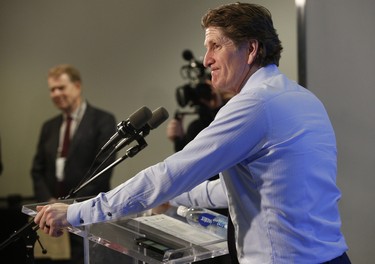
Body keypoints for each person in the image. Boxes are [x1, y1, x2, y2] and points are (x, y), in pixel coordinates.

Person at [34, 3, 351, 263]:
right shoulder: (300, 97)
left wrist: (76, 213)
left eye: (216, 46)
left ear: (251, 49)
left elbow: (169, 174)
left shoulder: (255, 105)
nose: (207, 59)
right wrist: (167, 197)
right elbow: (229, 190)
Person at [31, 64, 117, 264]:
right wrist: (49, 203)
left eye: (61, 87)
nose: (56, 93)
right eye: (52, 89)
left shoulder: (102, 121)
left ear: (77, 86)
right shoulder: (49, 127)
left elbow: (103, 169)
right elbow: (37, 170)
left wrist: (71, 208)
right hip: (51, 218)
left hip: (87, 215)